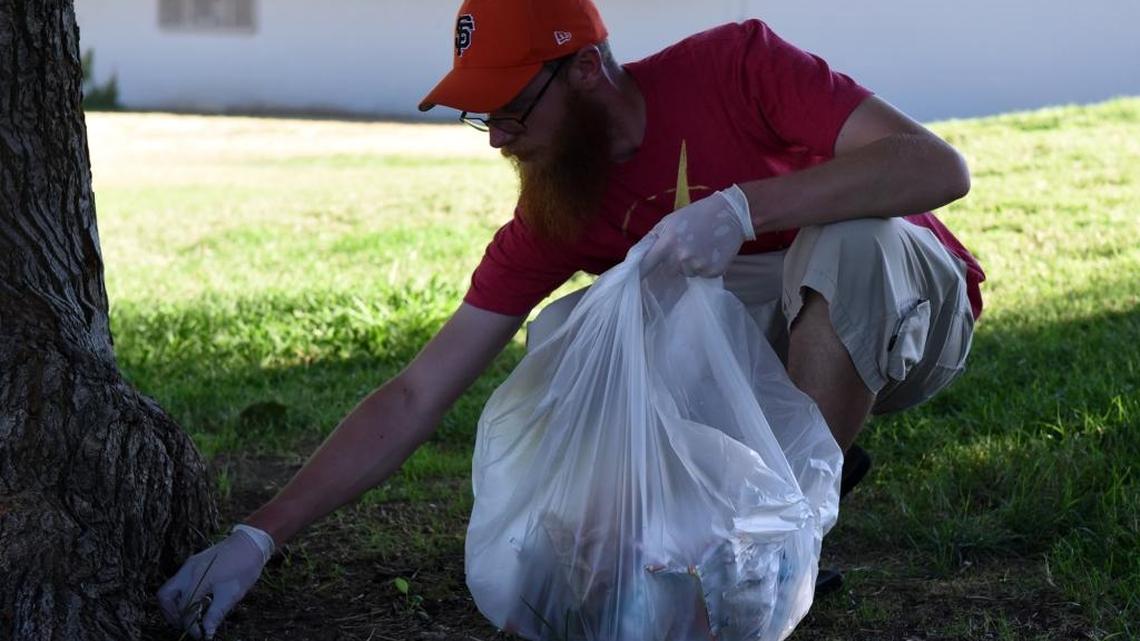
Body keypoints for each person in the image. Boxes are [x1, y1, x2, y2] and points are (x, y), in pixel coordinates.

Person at [158, 0, 985, 637]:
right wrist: (257, 537)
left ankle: (789, 537)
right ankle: (728, 518)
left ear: (586, 68)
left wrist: (741, 207)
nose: (498, 141)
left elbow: (936, 166)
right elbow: (419, 392)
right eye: (483, 117)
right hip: (760, 348)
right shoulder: (561, 204)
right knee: (587, 326)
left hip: (905, 311)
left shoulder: (737, 65)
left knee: (850, 249)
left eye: (512, 110)